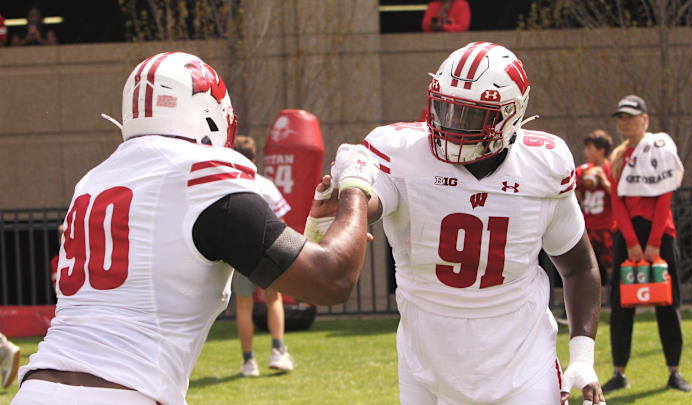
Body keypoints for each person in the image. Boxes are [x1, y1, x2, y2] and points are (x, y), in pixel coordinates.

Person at [11, 51, 378, 405]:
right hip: (127, 389)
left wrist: (313, 234)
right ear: (210, 115)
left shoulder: (93, 181)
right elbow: (332, 279)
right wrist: (356, 187)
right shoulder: (200, 177)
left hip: (37, 388)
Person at [312, 42, 605, 405]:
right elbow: (370, 202)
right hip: (426, 363)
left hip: (521, 365)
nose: (450, 125)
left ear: (508, 116)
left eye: (468, 116)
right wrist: (346, 203)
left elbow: (578, 266)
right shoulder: (403, 153)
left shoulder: (542, 167)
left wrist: (583, 357)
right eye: (444, 107)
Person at [601, 94, 692, 393]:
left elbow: (665, 196)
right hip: (626, 238)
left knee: (668, 302)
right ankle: (619, 372)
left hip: (660, 236)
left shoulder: (661, 150)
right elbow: (616, 203)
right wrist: (631, 242)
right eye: (621, 118)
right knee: (621, 305)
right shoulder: (616, 158)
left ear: (645, 119)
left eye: (630, 116)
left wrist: (653, 243)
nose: (624, 122)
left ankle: (674, 372)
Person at [231, 135, 294, 377]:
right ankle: (278, 351)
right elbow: (282, 222)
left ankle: (249, 362)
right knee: (273, 299)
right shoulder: (265, 185)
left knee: (244, 306)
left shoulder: (231, 185)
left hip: (239, 251)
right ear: (254, 158)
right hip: (267, 249)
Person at [576, 130, 615, 287]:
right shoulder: (583, 170)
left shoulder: (613, 169)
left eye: (590, 148)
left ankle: (616, 300)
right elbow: (573, 192)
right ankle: (576, 308)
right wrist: (581, 184)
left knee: (612, 266)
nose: (586, 152)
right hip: (587, 227)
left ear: (601, 150)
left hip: (607, 227)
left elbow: (620, 197)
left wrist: (605, 183)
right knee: (584, 267)